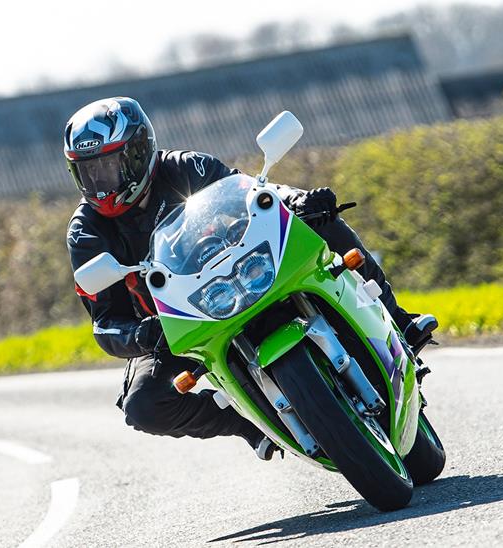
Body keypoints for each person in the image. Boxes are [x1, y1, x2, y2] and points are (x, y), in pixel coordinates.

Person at [65, 97, 436, 460]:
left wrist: (298, 200)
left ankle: (398, 320)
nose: (100, 182)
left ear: (137, 152)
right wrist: (141, 334)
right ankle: (250, 424)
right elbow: (105, 323)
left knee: (325, 219)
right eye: (88, 171)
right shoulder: (86, 233)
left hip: (248, 270)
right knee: (143, 406)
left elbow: (255, 193)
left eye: (108, 166)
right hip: (176, 321)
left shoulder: (186, 169)